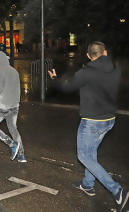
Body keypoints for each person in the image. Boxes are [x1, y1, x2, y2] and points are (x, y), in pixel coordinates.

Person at [48, 41, 128, 212]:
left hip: (92, 121)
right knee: (91, 152)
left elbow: (66, 86)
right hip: (110, 120)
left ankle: (117, 191)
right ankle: (87, 185)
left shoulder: (87, 72)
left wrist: (54, 78)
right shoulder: (116, 68)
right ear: (105, 53)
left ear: (88, 55)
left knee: (84, 156)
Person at [0, 51, 24, 162]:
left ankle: (11, 143)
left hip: (2, 107)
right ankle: (21, 155)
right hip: (14, 106)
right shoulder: (14, 70)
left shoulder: (0, 70)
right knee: (13, 129)